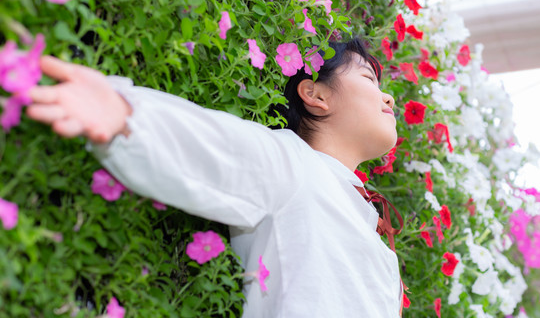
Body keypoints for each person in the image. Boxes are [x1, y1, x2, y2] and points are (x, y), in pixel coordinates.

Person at [27, 37, 402, 317]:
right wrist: (126, 116)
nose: (389, 99)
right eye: (369, 78)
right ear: (315, 93)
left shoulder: (367, 223)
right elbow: (216, 146)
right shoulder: (295, 165)